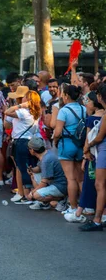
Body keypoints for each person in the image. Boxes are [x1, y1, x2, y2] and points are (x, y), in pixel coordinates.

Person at [66, 91, 104, 222]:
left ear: (95, 103)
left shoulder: (92, 119)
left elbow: (89, 139)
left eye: (88, 101)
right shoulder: (102, 117)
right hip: (100, 154)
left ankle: (80, 212)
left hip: (93, 155)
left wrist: (86, 152)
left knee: (90, 182)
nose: (86, 104)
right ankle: (102, 213)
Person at [53, 85, 86, 216]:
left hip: (66, 144)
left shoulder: (63, 111)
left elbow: (57, 132)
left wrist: (55, 141)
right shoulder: (84, 109)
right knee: (81, 178)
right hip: (80, 145)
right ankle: (85, 206)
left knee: (70, 179)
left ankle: (73, 207)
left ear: (66, 95)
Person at [5, 87, 41, 204]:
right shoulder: (35, 112)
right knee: (30, 167)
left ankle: (26, 194)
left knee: (22, 168)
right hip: (30, 141)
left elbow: (7, 112)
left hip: (21, 142)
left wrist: (21, 105)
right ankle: (31, 193)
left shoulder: (24, 111)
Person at [81, 84, 106, 231]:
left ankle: (97, 219)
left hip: (103, 150)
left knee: (100, 184)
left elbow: (99, 137)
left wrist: (87, 146)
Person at [25, 137, 67, 210]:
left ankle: (61, 199)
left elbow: (44, 182)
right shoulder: (46, 153)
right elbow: (39, 168)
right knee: (34, 175)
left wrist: (32, 193)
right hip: (55, 182)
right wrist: (32, 170)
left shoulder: (46, 160)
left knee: (36, 195)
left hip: (59, 185)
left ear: (32, 150)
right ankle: (45, 203)